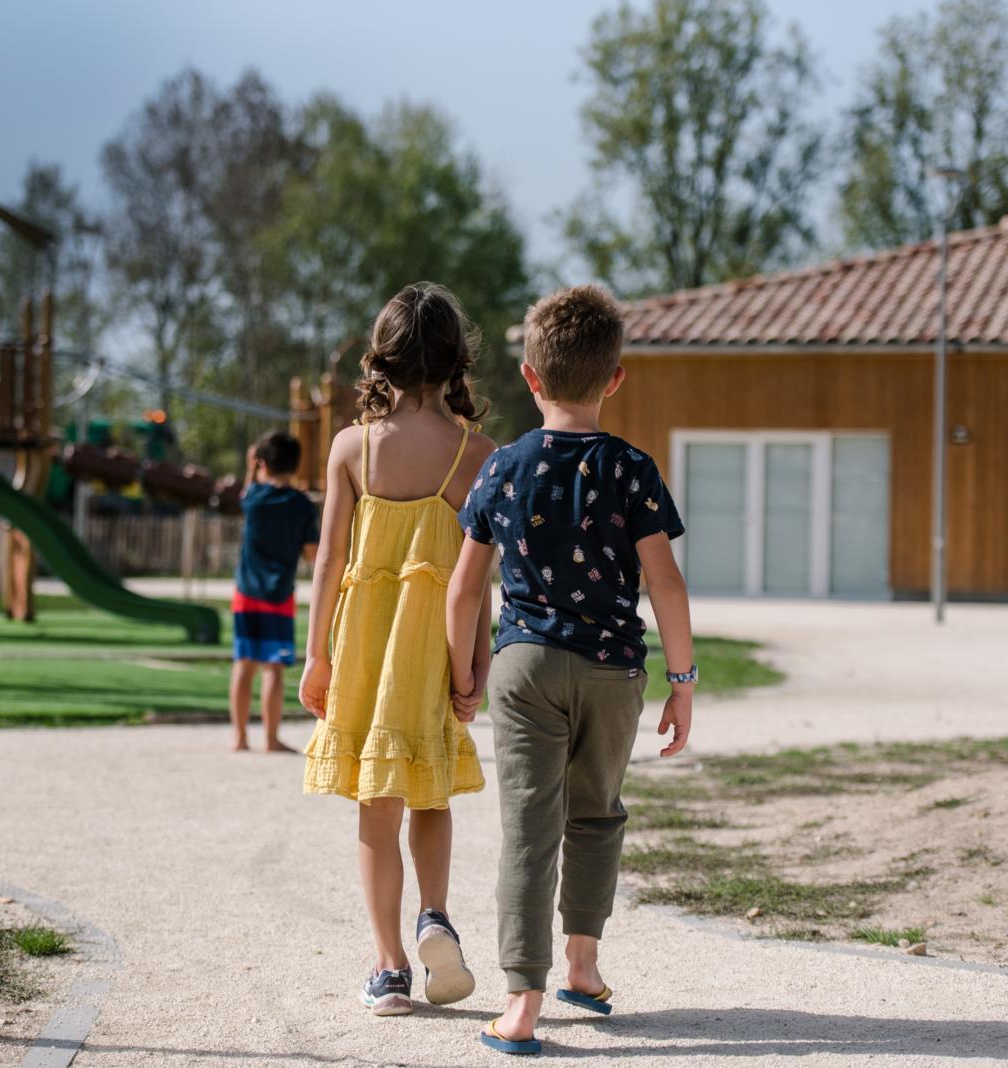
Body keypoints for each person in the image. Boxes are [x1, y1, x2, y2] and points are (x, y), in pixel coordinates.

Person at [446, 284, 696, 1055]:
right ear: (614, 378)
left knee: (530, 830)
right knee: (596, 815)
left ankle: (521, 1004)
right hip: (614, 671)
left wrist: (464, 674)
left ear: (530, 376)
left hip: (524, 665)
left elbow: (463, 589)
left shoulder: (502, 467)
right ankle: (583, 968)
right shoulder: (632, 469)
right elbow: (666, 584)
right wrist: (682, 682)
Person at [300, 282, 496, 1016]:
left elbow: (328, 561)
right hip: (435, 649)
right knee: (431, 790)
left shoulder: (353, 448)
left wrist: (316, 655)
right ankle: (435, 915)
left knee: (377, 807)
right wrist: (475, 664)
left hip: (365, 648)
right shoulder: (478, 455)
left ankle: (389, 969)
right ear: (455, 362)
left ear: (380, 358)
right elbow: (478, 578)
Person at [230, 430, 319, 753]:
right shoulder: (301, 505)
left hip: (245, 592)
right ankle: (270, 738)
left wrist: (250, 465)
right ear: (296, 465)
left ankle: (240, 738)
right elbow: (311, 553)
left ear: (262, 463)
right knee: (274, 668)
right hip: (279, 594)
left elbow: (248, 486)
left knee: (244, 664)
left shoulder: (253, 498)